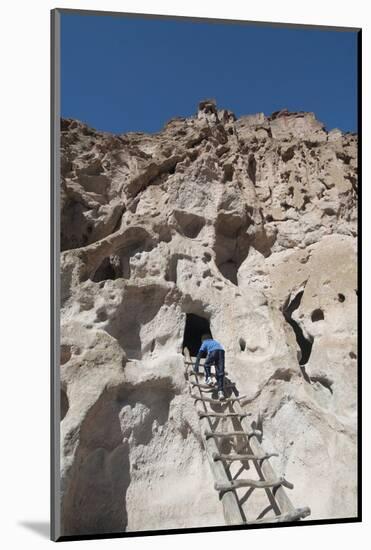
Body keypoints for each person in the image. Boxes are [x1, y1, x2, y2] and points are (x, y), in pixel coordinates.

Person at [194, 334, 225, 400]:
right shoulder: (215, 342)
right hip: (221, 352)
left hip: (214, 352)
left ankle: (208, 378)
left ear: (203, 340)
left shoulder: (205, 342)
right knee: (220, 373)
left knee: (207, 364)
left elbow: (199, 354)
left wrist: (196, 367)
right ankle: (221, 392)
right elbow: (218, 351)